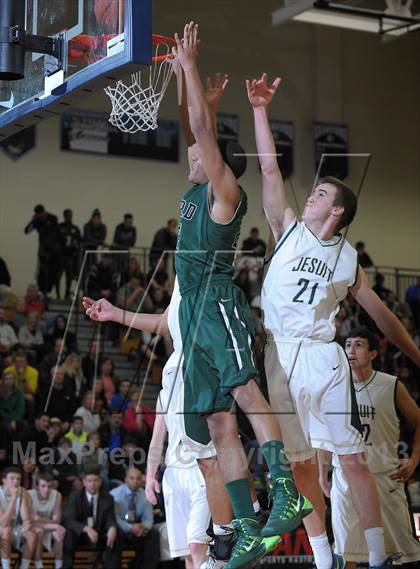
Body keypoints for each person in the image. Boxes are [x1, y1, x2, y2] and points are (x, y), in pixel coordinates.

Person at [85, 23, 311, 569]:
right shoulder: (192, 192)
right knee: (215, 420)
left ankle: (287, 491)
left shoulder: (225, 195)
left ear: (218, 168)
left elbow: (205, 138)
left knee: (248, 396)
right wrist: (196, 93)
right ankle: (247, 525)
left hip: (216, 301)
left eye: (201, 151)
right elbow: (198, 130)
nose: (190, 150)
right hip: (191, 307)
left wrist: (188, 67)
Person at [247, 71, 420, 569]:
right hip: (278, 355)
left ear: (338, 209)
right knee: (300, 468)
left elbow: (384, 319)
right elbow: (269, 170)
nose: (312, 197)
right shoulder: (287, 229)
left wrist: (416, 355)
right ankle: (326, 560)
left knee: (351, 460)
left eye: (321, 193)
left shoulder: (348, 261)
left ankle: (374, 556)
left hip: (323, 357)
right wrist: (259, 109)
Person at [318, 327, 420, 568]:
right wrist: (322, 476)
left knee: (396, 555)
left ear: (373, 353)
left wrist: (414, 459)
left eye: (359, 345)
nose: (351, 350)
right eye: (348, 345)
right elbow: (323, 435)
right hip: (345, 482)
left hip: (385, 478)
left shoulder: (391, 385)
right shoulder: (332, 387)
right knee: (347, 554)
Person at [146, 350, 211, 569]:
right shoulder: (164, 396)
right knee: (187, 552)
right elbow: (156, 440)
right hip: (173, 474)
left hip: (202, 469)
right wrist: (149, 478)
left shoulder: (203, 389)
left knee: (197, 544)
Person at [62, 468, 120, 569]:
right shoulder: (75, 496)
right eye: (89, 481)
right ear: (84, 482)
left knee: (116, 534)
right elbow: (69, 520)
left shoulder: (108, 497)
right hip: (81, 534)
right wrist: (87, 529)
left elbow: (110, 518)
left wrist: (112, 527)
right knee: (70, 534)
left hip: (99, 533)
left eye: (95, 480)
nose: (92, 484)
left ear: (100, 482)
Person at [111, 468, 160, 569]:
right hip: (121, 528)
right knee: (115, 532)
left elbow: (148, 519)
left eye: (138, 478)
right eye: (132, 478)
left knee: (153, 534)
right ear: (125, 479)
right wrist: (130, 528)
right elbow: (114, 518)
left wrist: (142, 528)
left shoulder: (145, 495)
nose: (135, 481)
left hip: (138, 529)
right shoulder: (114, 494)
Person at [0, 467, 38, 569]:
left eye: (18, 479)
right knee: (6, 530)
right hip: (2, 528)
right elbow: (3, 523)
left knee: (31, 533)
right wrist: (13, 498)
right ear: (4, 481)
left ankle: (23, 567)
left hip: (14, 527)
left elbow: (25, 517)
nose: (16, 481)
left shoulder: (22, 492)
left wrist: (27, 523)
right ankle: (6, 567)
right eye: (12, 478)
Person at [28, 471, 66, 569]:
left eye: (49, 486)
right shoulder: (29, 495)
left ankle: (59, 566)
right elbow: (30, 521)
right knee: (39, 532)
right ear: (37, 486)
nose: (46, 489)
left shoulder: (57, 495)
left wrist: (39, 519)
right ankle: (39, 566)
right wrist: (53, 524)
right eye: (43, 486)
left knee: (59, 534)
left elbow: (57, 520)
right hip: (33, 528)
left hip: (49, 528)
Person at [24, 205, 61, 296]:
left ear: (43, 212)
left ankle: (48, 290)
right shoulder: (36, 221)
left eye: (40, 214)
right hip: (43, 249)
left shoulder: (53, 218)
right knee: (42, 270)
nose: (40, 216)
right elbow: (26, 231)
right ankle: (41, 290)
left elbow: (51, 231)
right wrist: (32, 220)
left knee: (52, 271)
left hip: (53, 249)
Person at [58, 209, 81, 299]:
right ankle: (58, 295)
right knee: (58, 276)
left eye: (70, 215)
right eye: (67, 215)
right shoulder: (59, 227)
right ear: (64, 216)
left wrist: (75, 244)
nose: (69, 217)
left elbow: (79, 241)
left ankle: (67, 294)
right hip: (60, 255)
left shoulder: (75, 229)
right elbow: (55, 239)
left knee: (69, 277)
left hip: (70, 256)